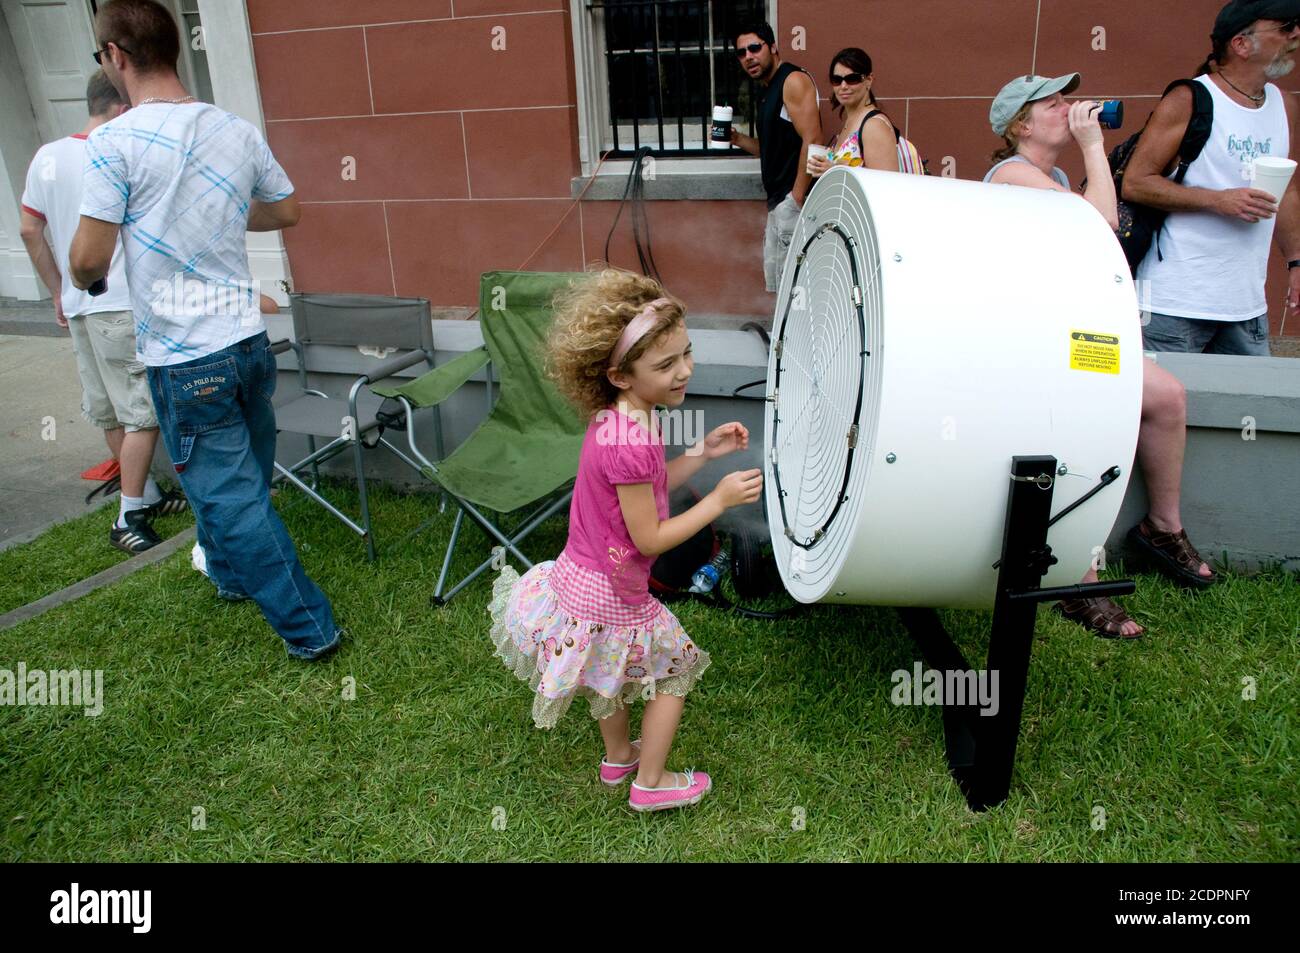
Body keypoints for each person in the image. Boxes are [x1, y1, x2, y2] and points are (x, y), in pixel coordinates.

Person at [69, 0, 339, 660]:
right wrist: (213, 212)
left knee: (234, 496)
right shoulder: (231, 127)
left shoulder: (112, 144)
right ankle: (225, 574)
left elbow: (86, 260)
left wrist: (95, 270)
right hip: (247, 345)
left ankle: (311, 628)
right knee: (229, 478)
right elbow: (287, 209)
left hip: (185, 359)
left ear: (116, 58)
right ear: (176, 49)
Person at [488, 268, 762, 811]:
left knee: (603, 671)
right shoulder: (631, 440)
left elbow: (649, 486)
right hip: (614, 589)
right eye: (666, 365)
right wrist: (717, 502)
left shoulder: (622, 419)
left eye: (686, 353)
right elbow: (649, 537)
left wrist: (703, 456)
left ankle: (619, 759)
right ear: (619, 375)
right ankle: (651, 785)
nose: (684, 370)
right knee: (677, 671)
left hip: (579, 575)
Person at [985, 73, 1216, 639]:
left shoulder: (1054, 176)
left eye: (1070, 99)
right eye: (1055, 103)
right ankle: (1081, 579)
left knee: (1165, 396)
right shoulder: (1011, 174)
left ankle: (1162, 528)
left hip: (1069, 333)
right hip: (1027, 344)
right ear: (1021, 123)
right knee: (1085, 427)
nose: (1070, 108)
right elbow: (1103, 226)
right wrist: (1095, 145)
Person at [19, 70, 187, 553]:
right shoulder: (116, 148)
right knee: (144, 414)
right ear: (120, 107)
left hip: (79, 306)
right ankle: (128, 514)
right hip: (120, 303)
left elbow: (31, 230)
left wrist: (56, 291)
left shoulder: (46, 155)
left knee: (110, 408)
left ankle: (148, 495)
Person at [1124, 0, 1300, 356]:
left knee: (1250, 407)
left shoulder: (1284, 105)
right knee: (1167, 409)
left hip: (1247, 306)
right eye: (1284, 26)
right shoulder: (1190, 98)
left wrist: (1296, 261)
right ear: (1241, 44)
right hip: (1174, 303)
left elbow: (1288, 191)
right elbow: (1136, 181)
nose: (1295, 33)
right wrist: (1219, 200)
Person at [728, 21, 823, 292]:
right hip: (779, 203)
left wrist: (796, 197)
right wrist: (737, 139)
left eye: (755, 48)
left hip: (794, 203)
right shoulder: (768, 90)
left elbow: (813, 140)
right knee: (781, 286)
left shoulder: (792, 80)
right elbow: (771, 148)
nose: (748, 57)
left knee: (796, 286)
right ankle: (784, 336)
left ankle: (798, 336)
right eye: (741, 52)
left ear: (772, 47)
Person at [808, 48, 906, 175]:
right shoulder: (851, 121)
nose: (843, 86)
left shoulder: (874, 126)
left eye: (852, 79)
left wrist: (834, 170)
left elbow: (885, 185)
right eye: (837, 80)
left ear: (869, 80)